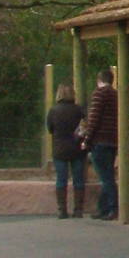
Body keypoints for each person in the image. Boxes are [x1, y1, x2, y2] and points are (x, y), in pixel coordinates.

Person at [82, 67, 120, 219]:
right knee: (108, 174)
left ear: (99, 80)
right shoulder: (116, 95)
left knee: (105, 177)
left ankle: (112, 208)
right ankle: (103, 208)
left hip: (100, 140)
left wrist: (87, 139)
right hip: (113, 139)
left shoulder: (99, 94)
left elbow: (94, 118)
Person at [46, 84, 86, 219]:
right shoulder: (79, 110)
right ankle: (78, 209)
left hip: (60, 148)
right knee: (78, 180)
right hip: (76, 148)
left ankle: (62, 210)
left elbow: (50, 129)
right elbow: (85, 126)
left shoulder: (53, 110)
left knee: (61, 179)